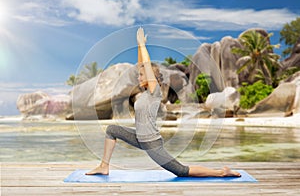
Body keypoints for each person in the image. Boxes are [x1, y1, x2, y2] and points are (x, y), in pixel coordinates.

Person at [86, 27, 241, 177]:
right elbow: (142, 65)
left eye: (142, 75)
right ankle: (104, 166)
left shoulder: (155, 92)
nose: (139, 77)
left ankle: (221, 172)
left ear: (150, 78)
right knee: (112, 130)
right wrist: (139, 47)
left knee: (181, 171)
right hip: (139, 138)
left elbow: (146, 66)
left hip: (151, 143)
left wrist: (142, 44)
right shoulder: (146, 92)